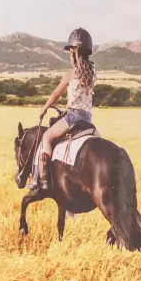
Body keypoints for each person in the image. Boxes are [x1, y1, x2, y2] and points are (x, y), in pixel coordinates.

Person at [33, 28, 95, 192]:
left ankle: (44, 182)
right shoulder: (92, 73)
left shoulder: (71, 73)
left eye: (71, 50)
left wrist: (44, 108)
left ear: (74, 51)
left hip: (73, 117)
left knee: (46, 137)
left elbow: (55, 94)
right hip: (87, 119)